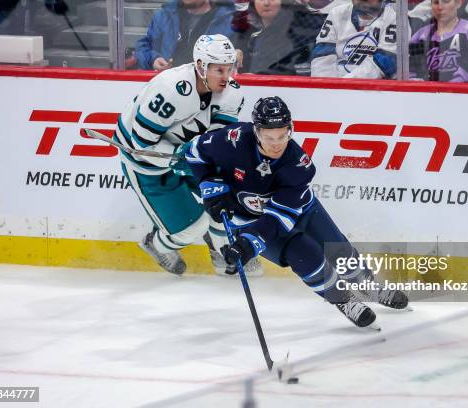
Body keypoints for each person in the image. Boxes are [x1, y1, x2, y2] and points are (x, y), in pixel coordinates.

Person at [184, 96, 409, 327]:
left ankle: (368, 286)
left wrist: (248, 244)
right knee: (304, 255)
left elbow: (279, 219)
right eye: (268, 137)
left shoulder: (298, 165)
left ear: (290, 129)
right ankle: (344, 300)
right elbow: (193, 153)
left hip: (300, 213)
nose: (276, 144)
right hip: (247, 221)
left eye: (283, 136)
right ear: (256, 131)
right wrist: (209, 184)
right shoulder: (232, 139)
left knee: (338, 251)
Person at [114, 34, 262, 277]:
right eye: (220, 70)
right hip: (145, 164)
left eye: (230, 69)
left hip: (185, 154)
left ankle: (221, 251)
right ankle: (155, 243)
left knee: (229, 195)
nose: (227, 78)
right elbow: (141, 144)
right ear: (201, 66)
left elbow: (217, 140)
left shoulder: (232, 93)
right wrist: (180, 156)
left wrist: (206, 161)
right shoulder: (170, 89)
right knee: (191, 229)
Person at [134, 0, 235, 71]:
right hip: (169, 90)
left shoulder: (228, 21)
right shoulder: (164, 15)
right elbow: (143, 47)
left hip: (208, 93)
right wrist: (153, 59)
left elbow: (237, 60)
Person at [231, 0, 324, 75]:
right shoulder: (247, 32)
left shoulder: (301, 30)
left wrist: (258, 77)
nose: (266, 3)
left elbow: (298, 69)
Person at [310, 0, 399, 78]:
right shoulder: (337, 13)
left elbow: (386, 64)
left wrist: (344, 84)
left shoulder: (394, 18)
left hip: (376, 91)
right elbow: (322, 57)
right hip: (335, 86)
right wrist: (325, 87)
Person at [409, 0, 468, 82]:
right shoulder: (420, 35)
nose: (440, 7)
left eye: (446, 1)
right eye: (436, 2)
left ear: (458, 3)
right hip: (425, 91)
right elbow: (411, 70)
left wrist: (447, 88)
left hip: (460, 91)